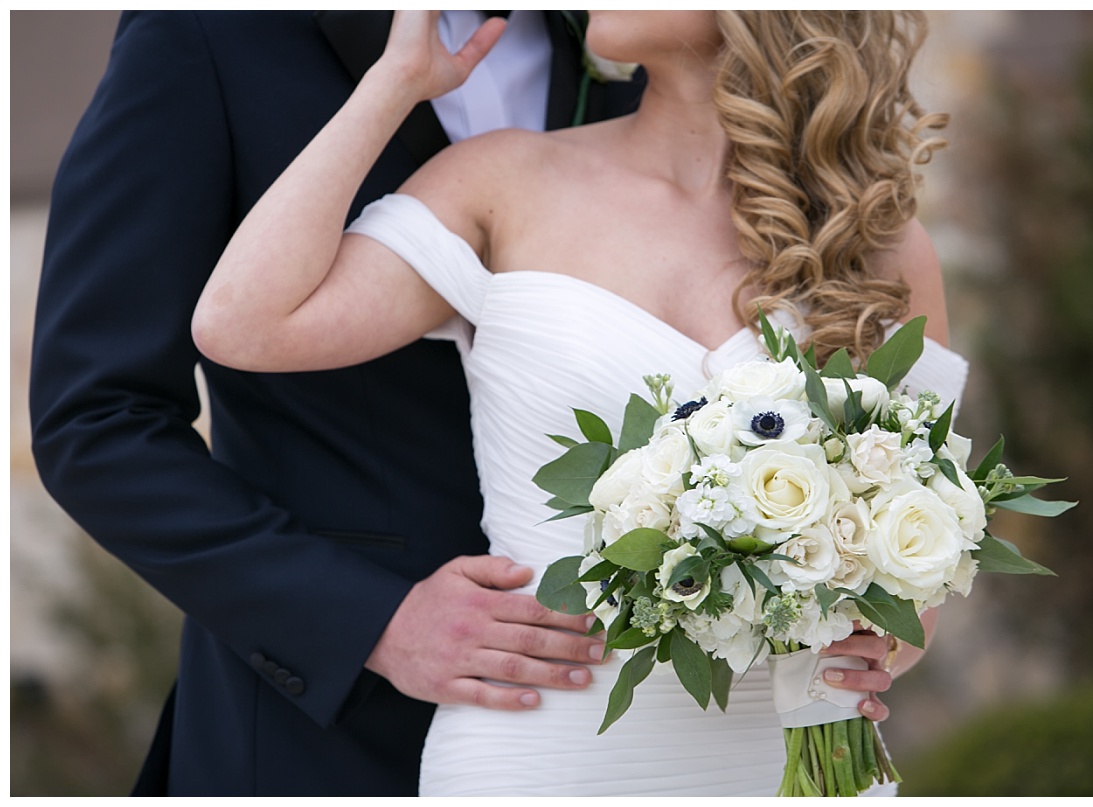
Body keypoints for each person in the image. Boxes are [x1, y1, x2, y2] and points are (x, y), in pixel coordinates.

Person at [193, 10, 965, 797]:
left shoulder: (877, 245)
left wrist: (874, 647)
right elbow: (241, 323)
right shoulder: (503, 183)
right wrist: (393, 85)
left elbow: (922, 565)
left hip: (783, 761)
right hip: (537, 750)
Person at [29, 11, 647, 796]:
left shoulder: (635, 38)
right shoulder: (208, 32)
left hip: (606, 711)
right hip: (325, 731)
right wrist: (371, 620)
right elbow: (96, 419)